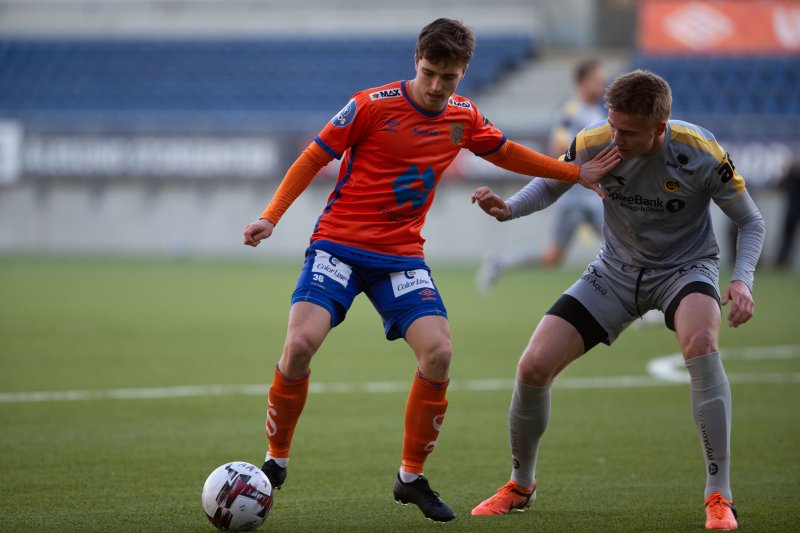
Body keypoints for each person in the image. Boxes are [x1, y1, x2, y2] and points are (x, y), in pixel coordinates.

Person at [242, 18, 619, 523]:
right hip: (339, 244)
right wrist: (271, 216)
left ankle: (411, 478)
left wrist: (573, 172)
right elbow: (312, 158)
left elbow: (505, 151)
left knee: (439, 352)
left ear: (463, 73)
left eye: (450, 77)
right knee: (300, 344)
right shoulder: (370, 106)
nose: (438, 87)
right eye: (429, 73)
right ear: (415, 62)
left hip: (400, 254)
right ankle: (276, 459)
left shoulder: (463, 116)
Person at [469, 70, 764, 530]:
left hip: (684, 270)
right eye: (612, 125)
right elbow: (553, 181)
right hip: (614, 272)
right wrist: (508, 209)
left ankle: (719, 496)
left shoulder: (701, 152)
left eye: (627, 132)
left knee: (702, 344)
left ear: (659, 127)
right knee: (532, 366)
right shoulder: (594, 139)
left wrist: (742, 280)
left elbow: (751, 221)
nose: (615, 138)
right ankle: (520, 484)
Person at [475, 59, 607, 292]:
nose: (602, 85)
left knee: (616, 248)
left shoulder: (597, 112)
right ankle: (499, 262)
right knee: (553, 257)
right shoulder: (571, 111)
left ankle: (637, 309)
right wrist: (580, 159)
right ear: (581, 82)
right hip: (574, 195)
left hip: (593, 196)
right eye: (597, 80)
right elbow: (557, 147)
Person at [776, 158, 800, 269]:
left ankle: (783, 260)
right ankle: (783, 261)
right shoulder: (791, 176)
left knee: (787, 236)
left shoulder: (793, 176)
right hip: (792, 210)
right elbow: (781, 186)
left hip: (792, 209)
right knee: (787, 236)